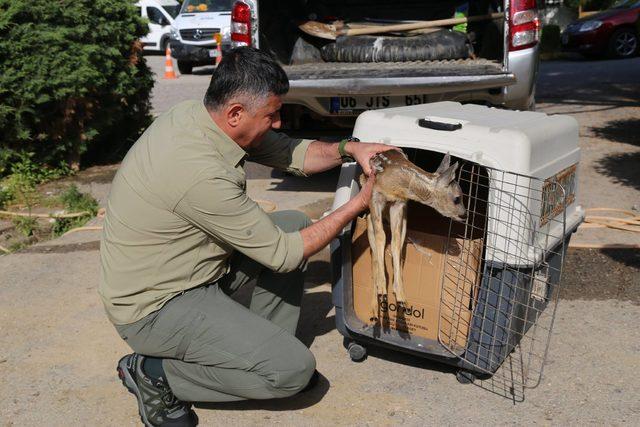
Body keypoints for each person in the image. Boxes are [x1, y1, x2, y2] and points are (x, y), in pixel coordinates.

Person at [99, 46, 395, 427]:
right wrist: (357, 204)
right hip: (156, 309)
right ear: (236, 112)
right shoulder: (198, 172)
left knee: (289, 222)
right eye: (271, 114)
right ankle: (154, 374)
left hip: (190, 273)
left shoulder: (199, 117)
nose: (276, 123)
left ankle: (263, 351)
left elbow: (291, 152)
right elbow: (283, 256)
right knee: (292, 371)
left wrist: (350, 148)